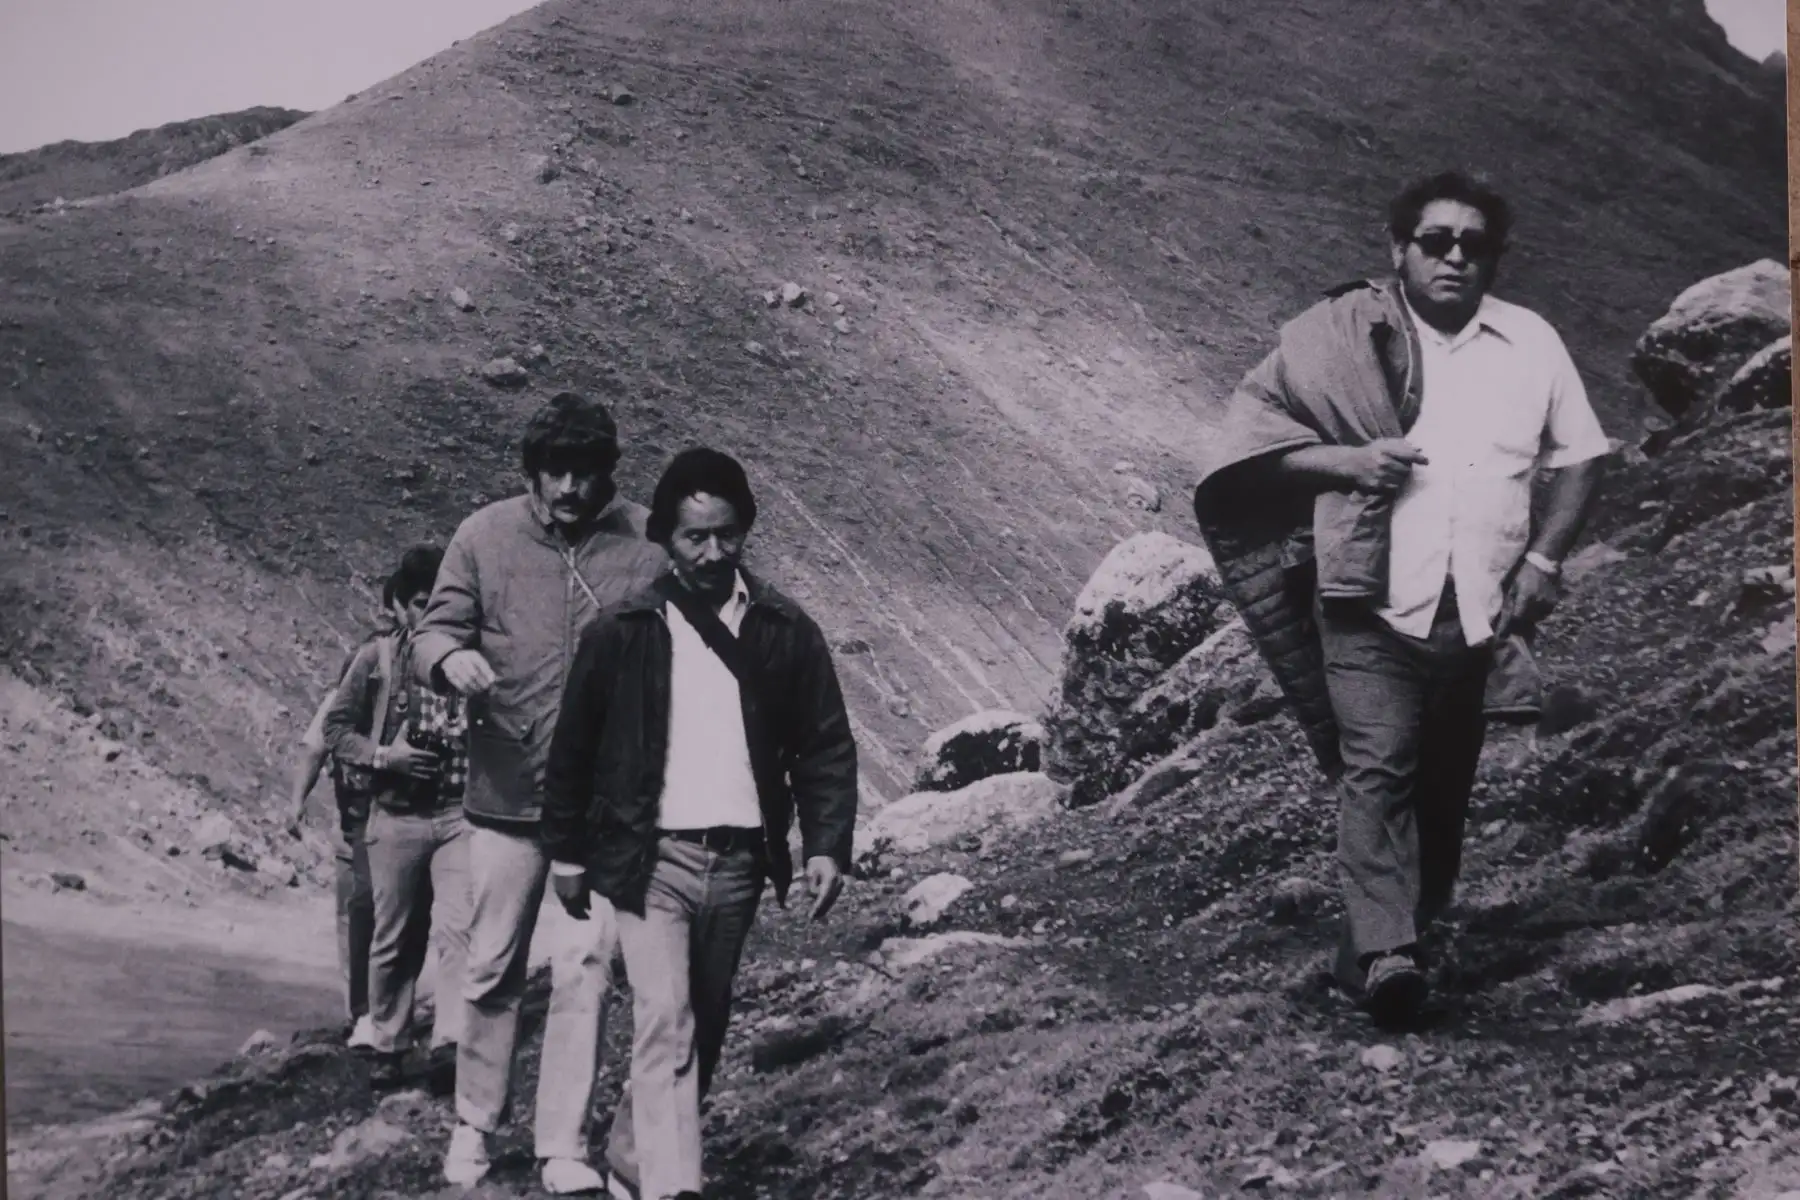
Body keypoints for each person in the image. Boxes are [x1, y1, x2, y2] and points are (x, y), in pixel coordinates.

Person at [1192, 171, 1608, 1027]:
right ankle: (1389, 958)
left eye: (1473, 243)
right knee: (1377, 771)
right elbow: (1248, 446)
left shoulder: (1532, 344)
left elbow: (1580, 455)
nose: (1455, 256)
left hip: (1481, 611)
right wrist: (1346, 463)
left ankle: (1387, 937)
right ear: (1399, 251)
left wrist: (1547, 560)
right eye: (1435, 240)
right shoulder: (1341, 338)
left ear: (1495, 257)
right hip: (1367, 603)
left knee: (1445, 784)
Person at [542, 447, 859, 1200]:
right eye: (695, 537)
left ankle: (627, 1157)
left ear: (745, 529)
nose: (713, 551)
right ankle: (673, 1187)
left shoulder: (784, 629)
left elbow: (824, 743)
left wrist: (826, 845)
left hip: (741, 863)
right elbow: (574, 747)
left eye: (727, 534)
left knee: (702, 1026)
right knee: (666, 1018)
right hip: (652, 860)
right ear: (665, 539)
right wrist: (565, 851)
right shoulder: (623, 632)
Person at [412, 392, 670, 1191]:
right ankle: (474, 1127)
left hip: (600, 805)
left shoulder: (647, 547)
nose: (568, 487)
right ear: (530, 472)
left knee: (586, 964)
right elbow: (433, 630)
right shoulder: (482, 537)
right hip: (505, 796)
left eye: (585, 471)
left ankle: (563, 1145)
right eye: (553, 471)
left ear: (608, 472)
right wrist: (448, 660)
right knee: (490, 965)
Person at [324, 545, 473, 1088]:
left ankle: (453, 1041)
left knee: (461, 927)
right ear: (401, 606)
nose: (430, 616)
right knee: (394, 937)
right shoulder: (377, 660)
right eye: (419, 603)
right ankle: (388, 1040)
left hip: (461, 816)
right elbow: (336, 731)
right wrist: (388, 757)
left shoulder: (473, 661)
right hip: (396, 814)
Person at [286, 578, 403, 1049]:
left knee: (384, 913)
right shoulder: (352, 684)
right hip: (356, 817)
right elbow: (316, 747)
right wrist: (296, 802)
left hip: (393, 815)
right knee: (360, 912)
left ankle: (383, 1010)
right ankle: (365, 1011)